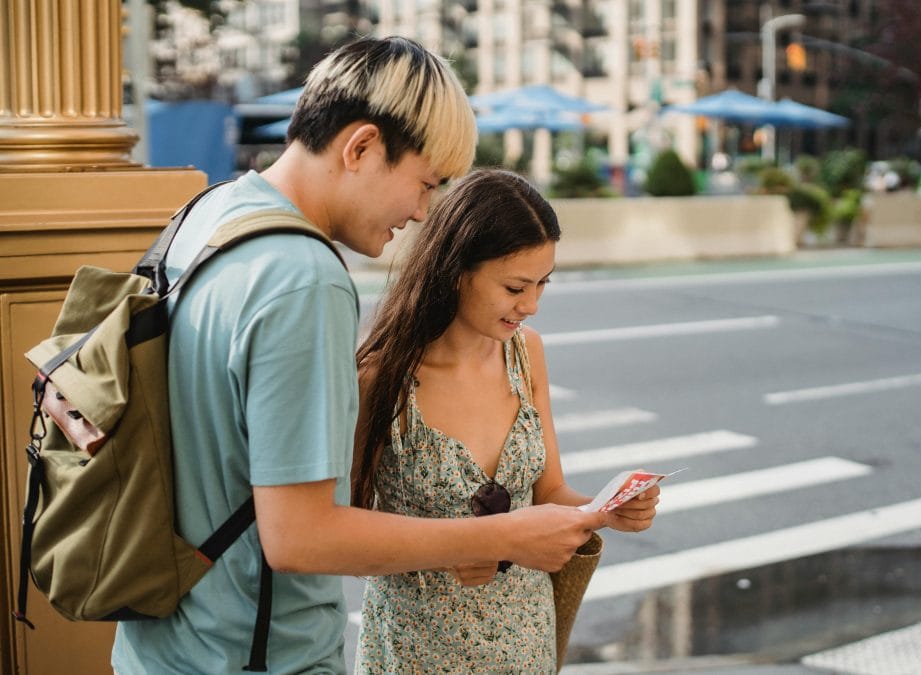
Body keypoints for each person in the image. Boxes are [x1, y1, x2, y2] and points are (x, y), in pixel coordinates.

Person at [111, 37, 604, 674]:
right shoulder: (303, 275)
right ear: (362, 146)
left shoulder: (208, 215)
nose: (424, 211)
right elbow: (301, 535)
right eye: (423, 183)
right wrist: (501, 535)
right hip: (253, 652)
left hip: (160, 643)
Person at [352, 169, 661, 673]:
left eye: (543, 284)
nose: (532, 305)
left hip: (527, 640)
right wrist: (446, 550)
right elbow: (342, 531)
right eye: (516, 286)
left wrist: (606, 507)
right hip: (418, 650)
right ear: (456, 271)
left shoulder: (526, 355)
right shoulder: (380, 377)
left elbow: (548, 494)